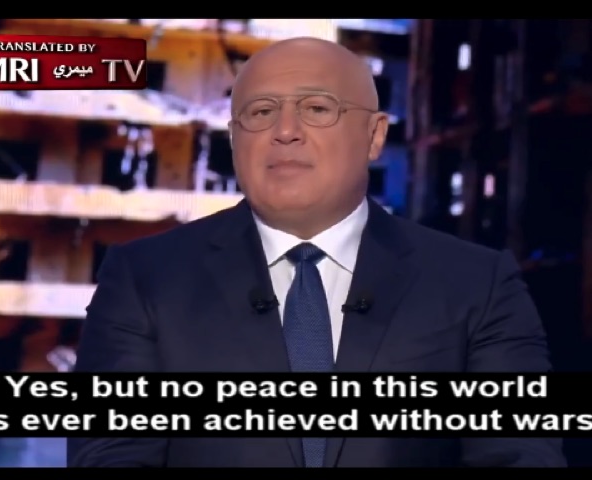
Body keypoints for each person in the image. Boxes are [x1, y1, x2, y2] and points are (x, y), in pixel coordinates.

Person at [68, 37, 566, 468]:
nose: (285, 130)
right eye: (261, 112)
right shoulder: (143, 279)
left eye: (318, 109)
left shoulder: (478, 285)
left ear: (375, 136)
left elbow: (519, 455)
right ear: (236, 139)